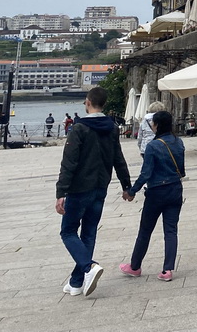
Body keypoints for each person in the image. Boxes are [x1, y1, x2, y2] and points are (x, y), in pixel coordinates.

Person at [55, 86, 132, 297]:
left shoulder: (79, 129)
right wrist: (127, 186)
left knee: (68, 231)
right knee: (88, 232)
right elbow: (119, 159)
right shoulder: (112, 128)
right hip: (100, 187)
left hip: (79, 188)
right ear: (104, 104)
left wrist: (61, 192)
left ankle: (88, 267)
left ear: (88, 102)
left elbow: (69, 162)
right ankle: (77, 281)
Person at [119, 110, 185, 281]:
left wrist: (132, 191)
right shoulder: (179, 142)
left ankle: (135, 266)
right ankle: (167, 270)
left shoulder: (153, 146)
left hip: (157, 192)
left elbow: (145, 173)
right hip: (175, 189)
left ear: (157, 125)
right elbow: (182, 170)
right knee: (171, 230)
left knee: (145, 230)